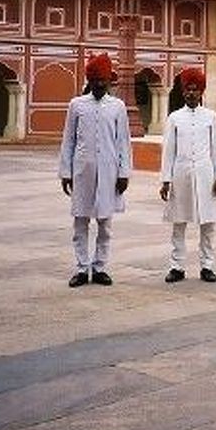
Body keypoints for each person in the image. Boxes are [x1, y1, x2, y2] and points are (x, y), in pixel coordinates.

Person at [59, 53, 132, 288]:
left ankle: (100, 267)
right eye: (96, 80)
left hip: (110, 172)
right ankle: (81, 269)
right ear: (89, 81)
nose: (100, 84)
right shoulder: (77, 105)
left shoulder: (118, 107)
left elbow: (123, 142)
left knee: (105, 223)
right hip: (82, 171)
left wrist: (124, 173)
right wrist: (66, 172)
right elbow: (68, 140)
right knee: (80, 221)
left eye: (104, 80)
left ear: (110, 81)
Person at [160, 66, 216, 283]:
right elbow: (169, 150)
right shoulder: (175, 118)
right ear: (183, 91)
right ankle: (177, 266)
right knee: (179, 222)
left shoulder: (211, 117)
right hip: (181, 174)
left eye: (195, 89)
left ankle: (207, 266)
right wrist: (165, 180)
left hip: (206, 174)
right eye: (188, 89)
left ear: (201, 92)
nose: (191, 93)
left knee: (208, 224)